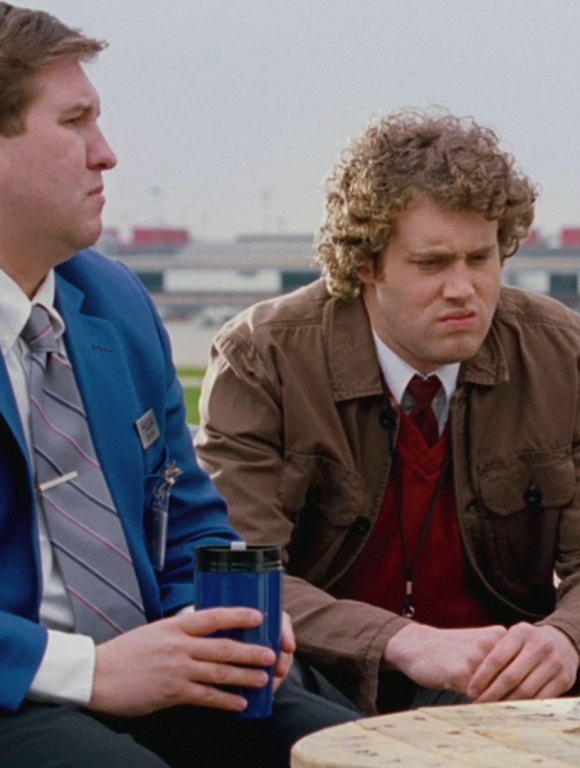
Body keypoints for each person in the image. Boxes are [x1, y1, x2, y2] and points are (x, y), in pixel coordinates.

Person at [195, 109, 580, 715]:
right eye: (432, 263)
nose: (462, 288)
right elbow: (238, 579)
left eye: (480, 258)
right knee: (252, 674)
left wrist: (566, 640)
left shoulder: (559, 350)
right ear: (366, 264)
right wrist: (400, 641)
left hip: (498, 665)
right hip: (334, 672)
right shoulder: (264, 356)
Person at [0, 6, 356, 767]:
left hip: (154, 673)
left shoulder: (114, 303)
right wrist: (91, 672)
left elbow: (188, 517)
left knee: (357, 751)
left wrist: (218, 617)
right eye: (75, 123)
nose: (106, 154)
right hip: (19, 690)